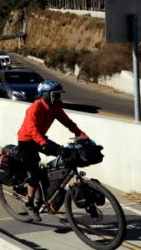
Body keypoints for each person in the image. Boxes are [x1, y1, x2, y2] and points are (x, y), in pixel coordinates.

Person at [17, 80, 88, 221]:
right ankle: (30, 204)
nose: (58, 98)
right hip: (26, 141)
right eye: (55, 95)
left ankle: (49, 191)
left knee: (65, 155)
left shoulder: (55, 108)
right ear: (45, 95)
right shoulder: (34, 108)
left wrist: (83, 136)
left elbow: (68, 123)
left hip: (40, 139)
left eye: (59, 95)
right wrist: (44, 143)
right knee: (35, 172)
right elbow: (32, 129)